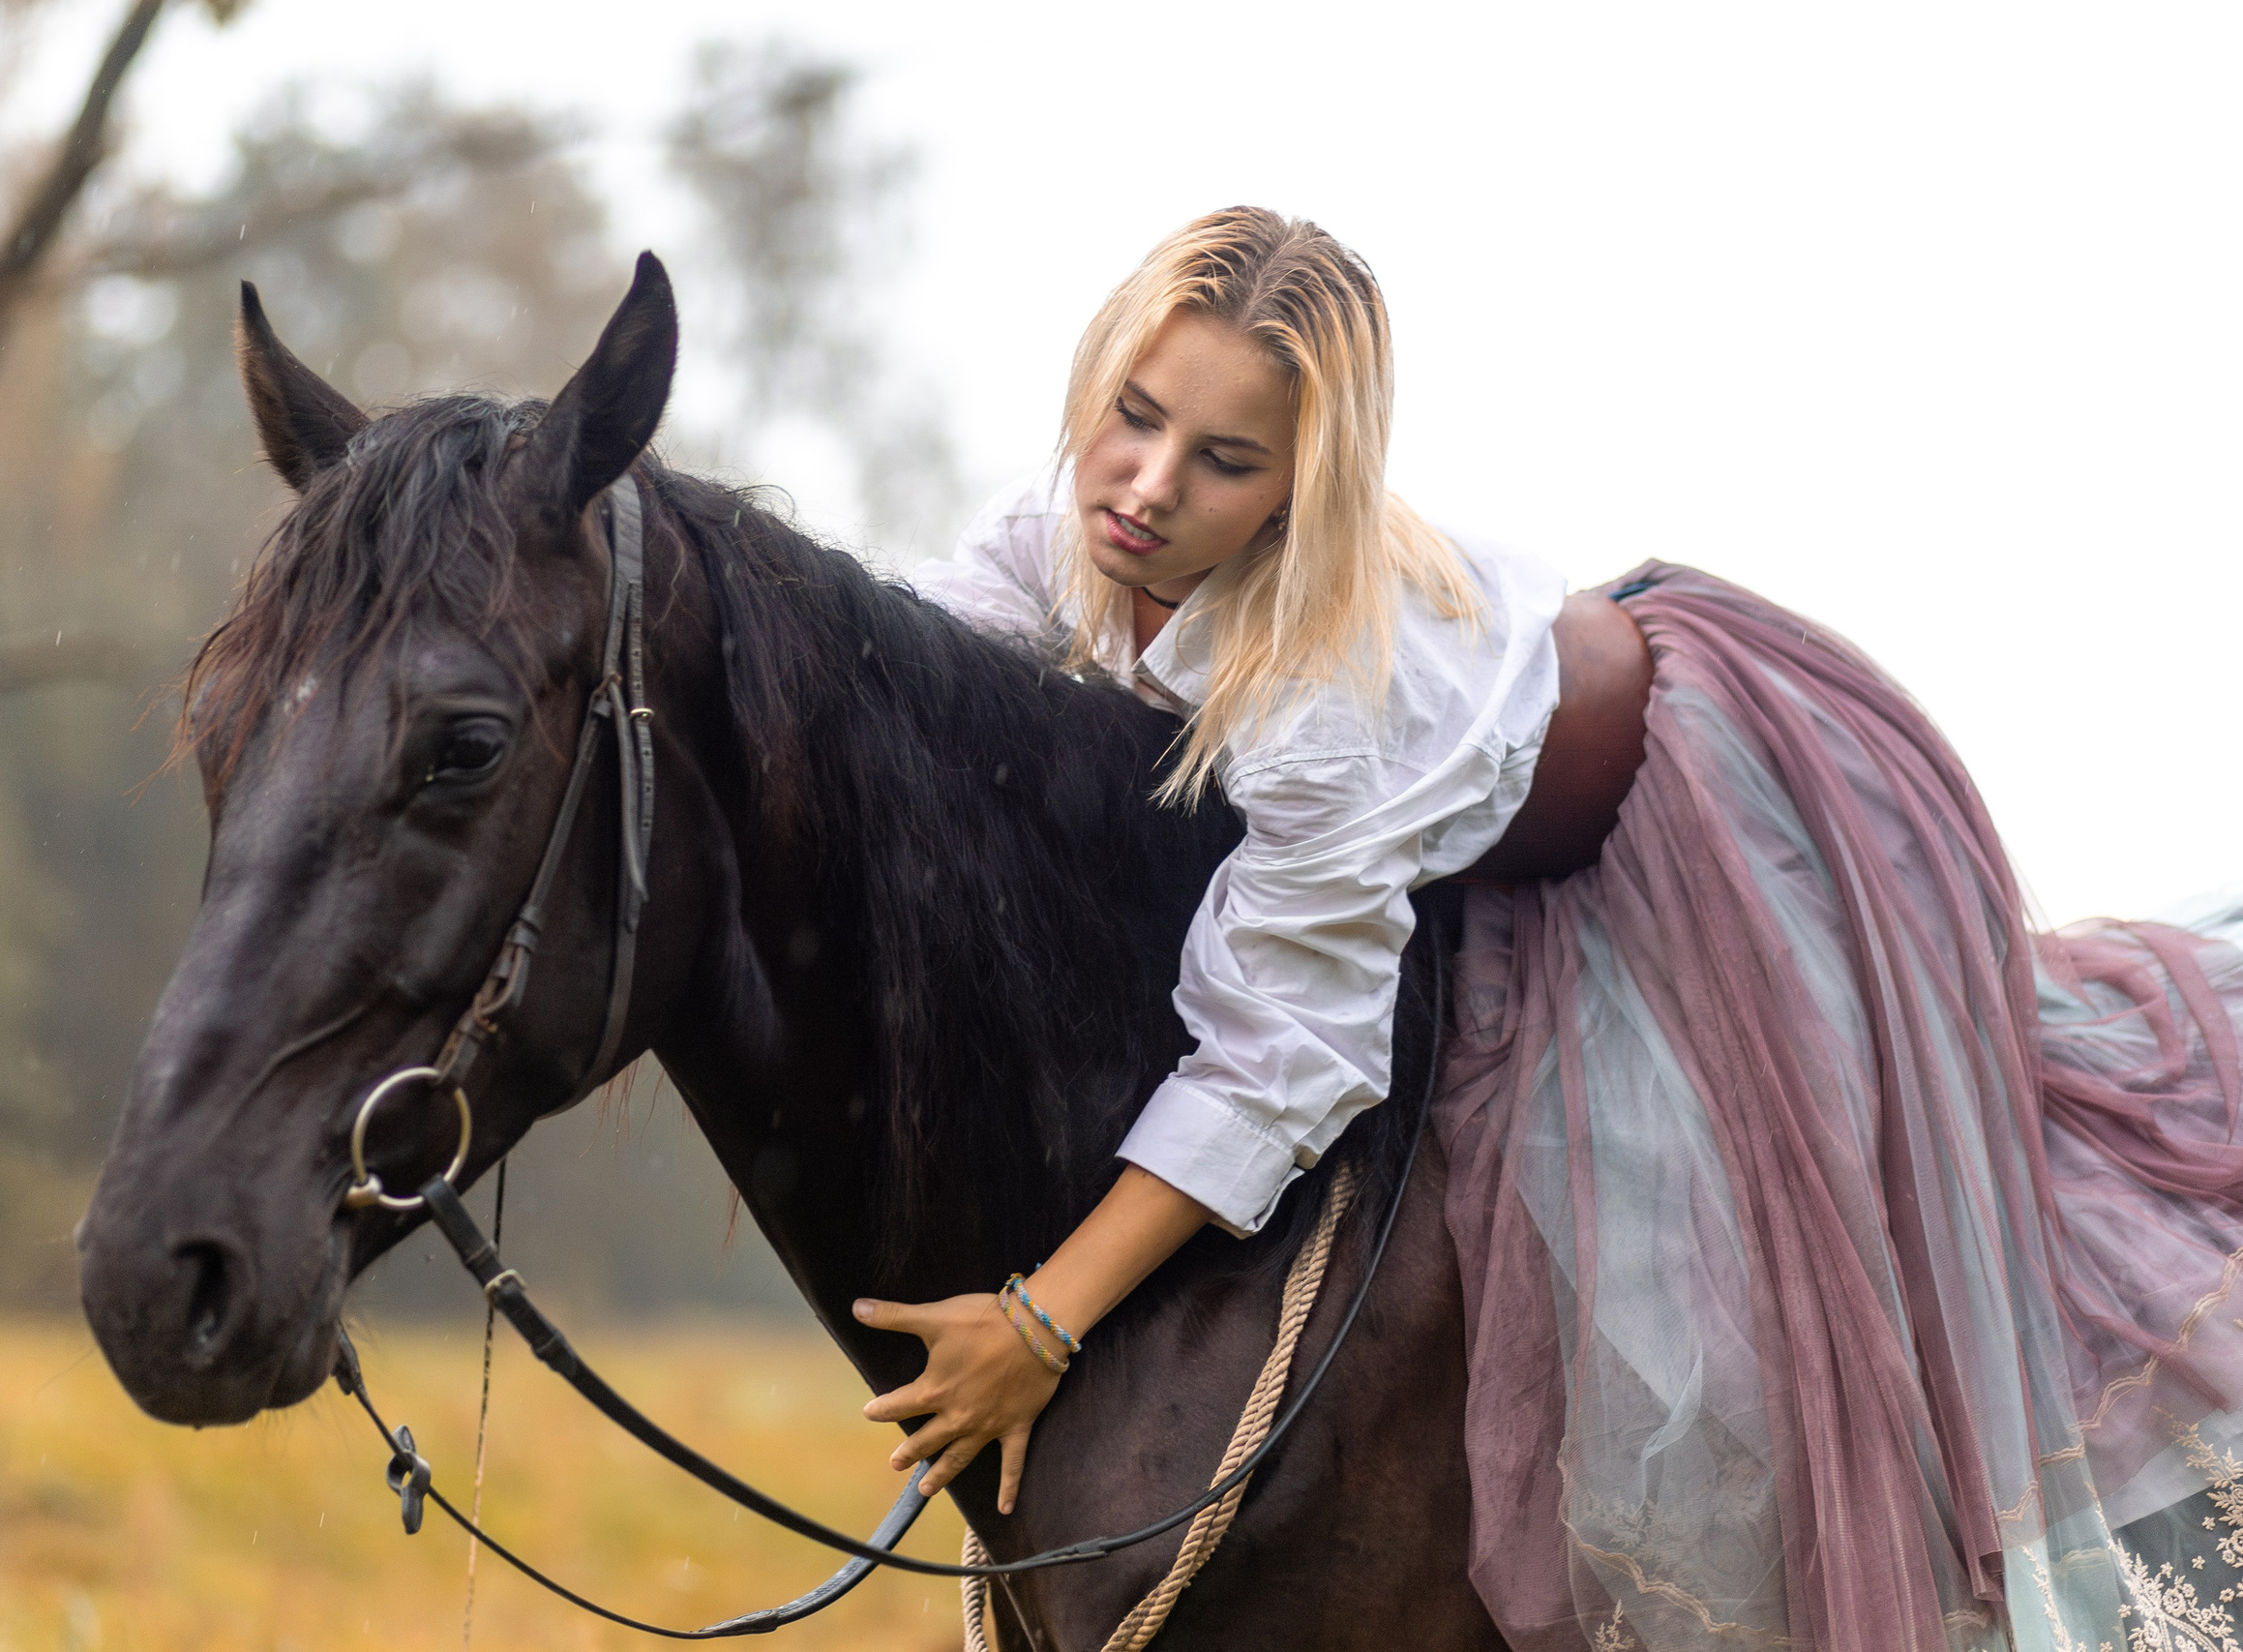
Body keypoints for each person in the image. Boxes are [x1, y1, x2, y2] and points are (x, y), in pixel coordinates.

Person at [852, 206, 2243, 1651]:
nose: (1146, 488)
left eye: (1226, 461)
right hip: (1495, 821)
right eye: (1133, 420)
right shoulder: (1054, 530)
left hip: (1705, 811)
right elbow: (915, 682)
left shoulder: (1316, 701)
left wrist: (1040, 1323)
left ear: (1294, 493)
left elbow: (1288, 1054)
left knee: (1784, 1252)